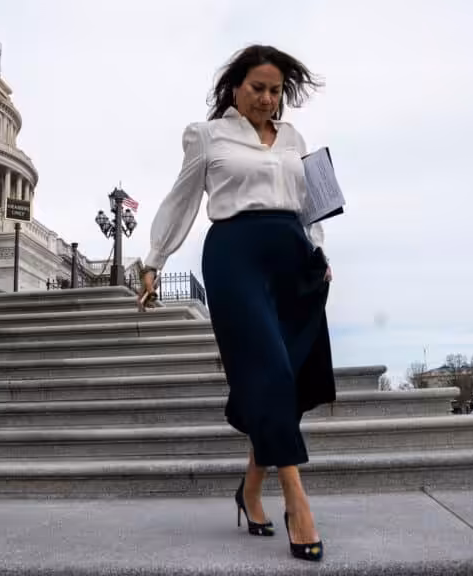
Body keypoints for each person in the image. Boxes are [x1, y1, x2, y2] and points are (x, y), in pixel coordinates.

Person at [138, 44, 334, 562]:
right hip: (234, 256)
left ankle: (249, 491)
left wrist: (319, 251)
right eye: (257, 88)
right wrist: (155, 259)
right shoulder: (207, 136)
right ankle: (297, 500)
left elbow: (310, 206)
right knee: (267, 369)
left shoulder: (294, 138)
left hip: (294, 258)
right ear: (234, 87)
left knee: (283, 380)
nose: (267, 99)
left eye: (275, 90)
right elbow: (181, 199)